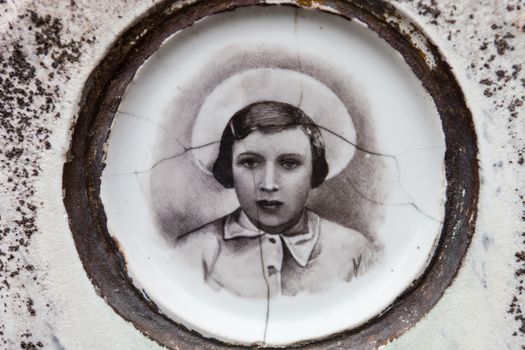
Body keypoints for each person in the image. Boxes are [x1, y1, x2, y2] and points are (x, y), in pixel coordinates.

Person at [175, 101, 377, 298]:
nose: (269, 184)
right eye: (250, 162)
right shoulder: (195, 251)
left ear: (314, 171)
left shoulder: (353, 250)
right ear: (229, 169)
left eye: (289, 164)